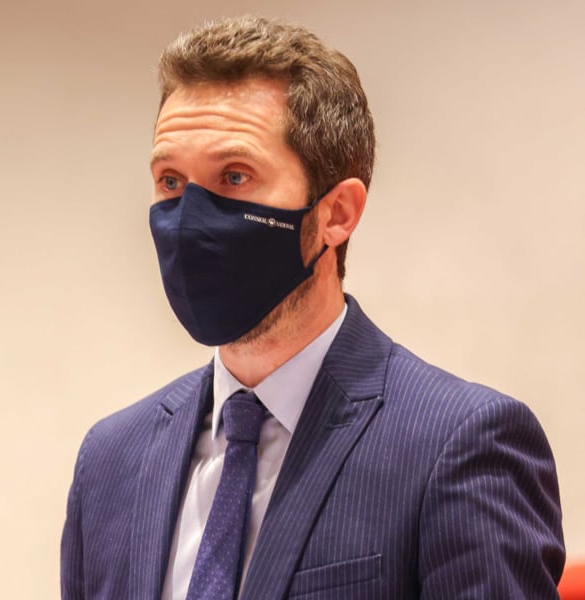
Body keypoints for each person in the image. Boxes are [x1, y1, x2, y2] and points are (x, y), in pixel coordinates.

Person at [60, 15, 564, 600]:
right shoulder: (111, 462)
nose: (190, 218)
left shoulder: (461, 444)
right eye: (171, 181)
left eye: (234, 176)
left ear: (337, 213)